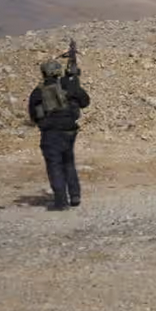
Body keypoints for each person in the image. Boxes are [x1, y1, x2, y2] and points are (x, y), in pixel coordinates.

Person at [27, 60, 91, 211]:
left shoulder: (38, 91)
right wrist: (75, 83)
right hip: (69, 132)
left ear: (43, 73)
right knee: (68, 162)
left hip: (51, 133)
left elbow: (33, 115)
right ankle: (75, 196)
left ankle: (61, 202)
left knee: (55, 165)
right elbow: (85, 101)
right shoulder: (68, 86)